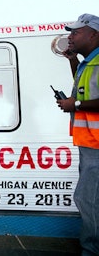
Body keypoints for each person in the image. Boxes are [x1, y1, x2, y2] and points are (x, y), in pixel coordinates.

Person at [57, 13, 99, 256]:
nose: (70, 36)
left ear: (94, 34)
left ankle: (91, 251)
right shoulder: (88, 62)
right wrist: (72, 61)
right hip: (90, 144)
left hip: (96, 147)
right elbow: (82, 89)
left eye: (76, 32)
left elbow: (82, 99)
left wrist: (77, 105)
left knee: (89, 201)